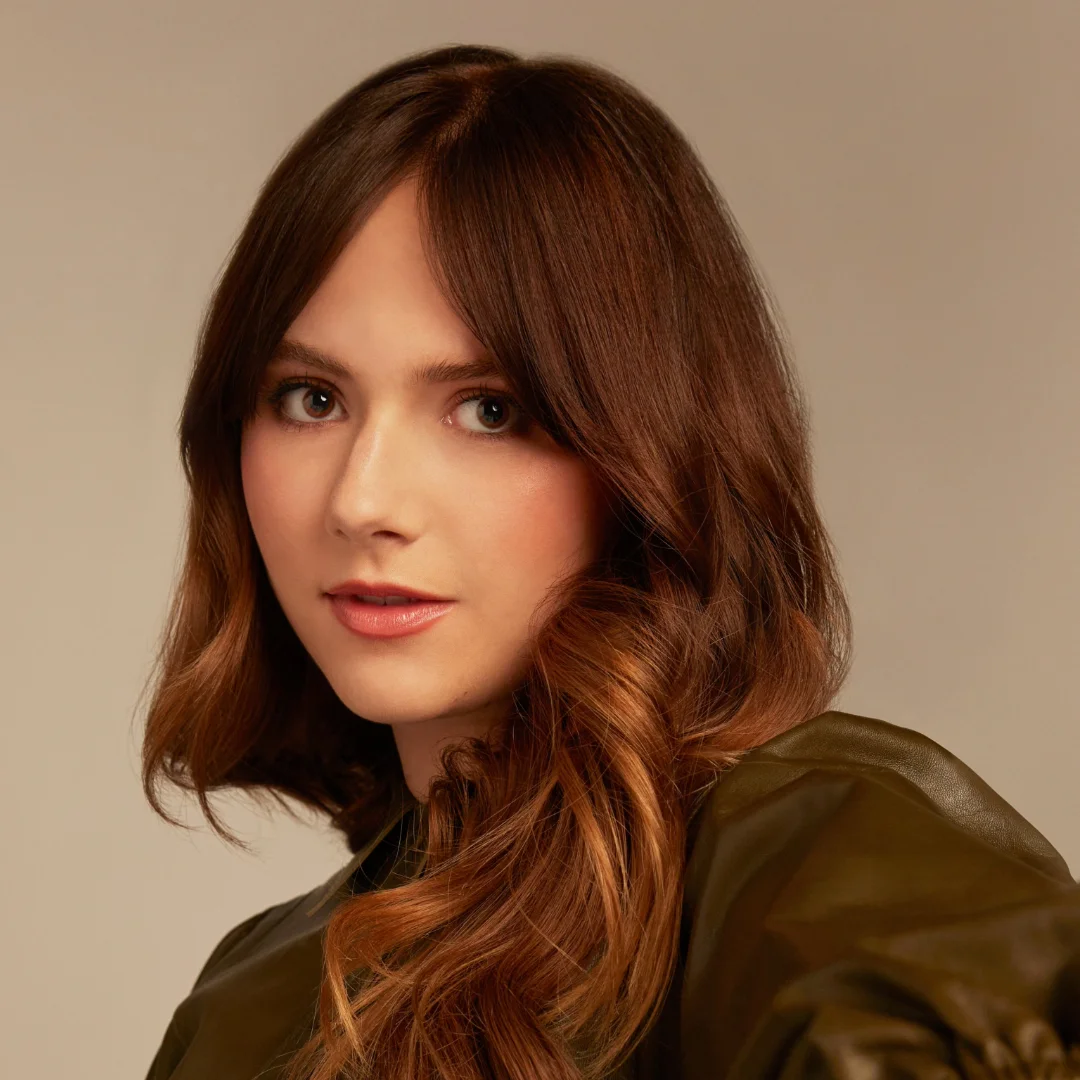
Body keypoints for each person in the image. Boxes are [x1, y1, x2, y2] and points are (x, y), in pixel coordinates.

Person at [140, 43, 1080, 1080]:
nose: (363, 500)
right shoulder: (247, 1006)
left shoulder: (809, 859)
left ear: (648, 454)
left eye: (488, 411)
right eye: (311, 399)